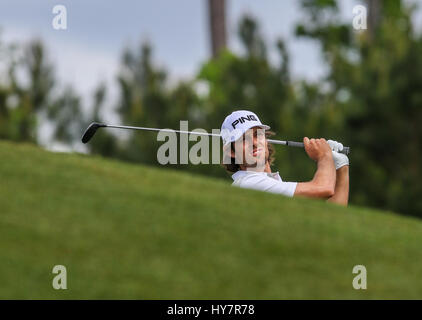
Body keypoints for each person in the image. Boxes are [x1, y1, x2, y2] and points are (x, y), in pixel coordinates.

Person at [220, 110, 349, 205]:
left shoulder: (270, 182)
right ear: (230, 152)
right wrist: (324, 156)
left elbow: (332, 216)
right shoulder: (249, 184)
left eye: (257, 134)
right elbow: (323, 189)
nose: (254, 142)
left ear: (265, 139)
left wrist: (340, 167)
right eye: (244, 139)